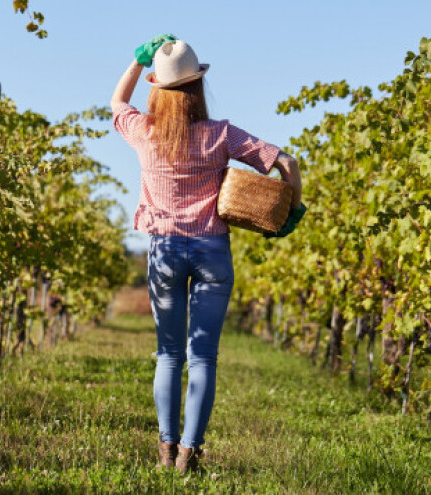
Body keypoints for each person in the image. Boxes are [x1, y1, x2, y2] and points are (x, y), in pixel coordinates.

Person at [111, 35, 305, 474]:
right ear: (198, 87)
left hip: (164, 250)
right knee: (203, 357)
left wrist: (137, 63)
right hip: (212, 251)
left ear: (156, 89)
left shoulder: (144, 132)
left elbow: (117, 101)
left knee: (169, 354)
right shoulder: (221, 135)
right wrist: (292, 212)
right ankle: (188, 454)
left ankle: (164, 449)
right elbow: (287, 163)